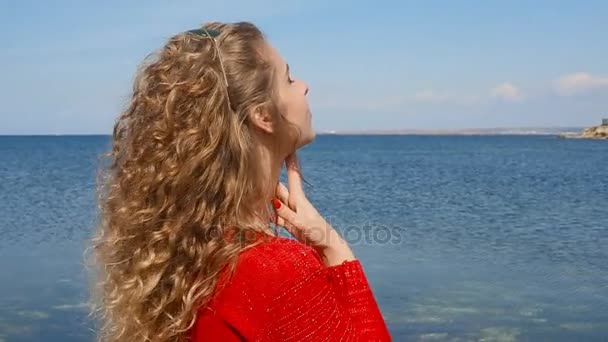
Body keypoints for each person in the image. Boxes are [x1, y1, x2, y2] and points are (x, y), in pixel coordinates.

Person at [89, 21, 391, 342]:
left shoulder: (189, 254)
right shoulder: (278, 271)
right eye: (288, 79)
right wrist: (336, 250)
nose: (303, 86)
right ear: (263, 115)